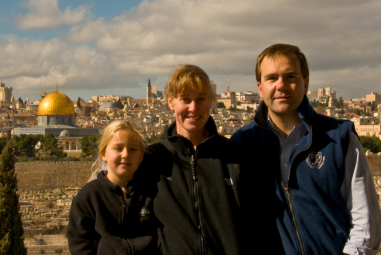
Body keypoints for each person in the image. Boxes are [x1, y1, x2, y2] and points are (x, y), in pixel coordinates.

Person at [231, 43, 381, 255]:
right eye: (272, 78)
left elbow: (366, 221)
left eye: (290, 77)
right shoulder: (243, 143)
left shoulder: (339, 136)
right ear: (260, 87)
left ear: (306, 83)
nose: (281, 85)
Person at [141, 64, 255, 254]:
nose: (193, 108)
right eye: (185, 99)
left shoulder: (236, 157)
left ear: (210, 102)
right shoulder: (152, 159)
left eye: (201, 99)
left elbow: (256, 223)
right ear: (170, 102)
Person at [67, 120, 160, 255]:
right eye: (118, 148)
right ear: (103, 154)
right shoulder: (88, 197)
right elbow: (80, 246)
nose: (125, 155)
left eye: (133, 149)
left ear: (141, 157)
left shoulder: (153, 193)